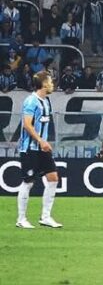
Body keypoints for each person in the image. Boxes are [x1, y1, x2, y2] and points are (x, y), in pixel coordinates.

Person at [15, 71, 62, 229]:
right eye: (50, 81)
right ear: (43, 84)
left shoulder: (46, 101)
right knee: (28, 182)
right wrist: (41, 141)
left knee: (53, 178)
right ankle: (21, 219)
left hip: (42, 147)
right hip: (30, 148)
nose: (52, 84)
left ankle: (46, 217)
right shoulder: (31, 101)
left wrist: (44, 142)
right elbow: (27, 124)